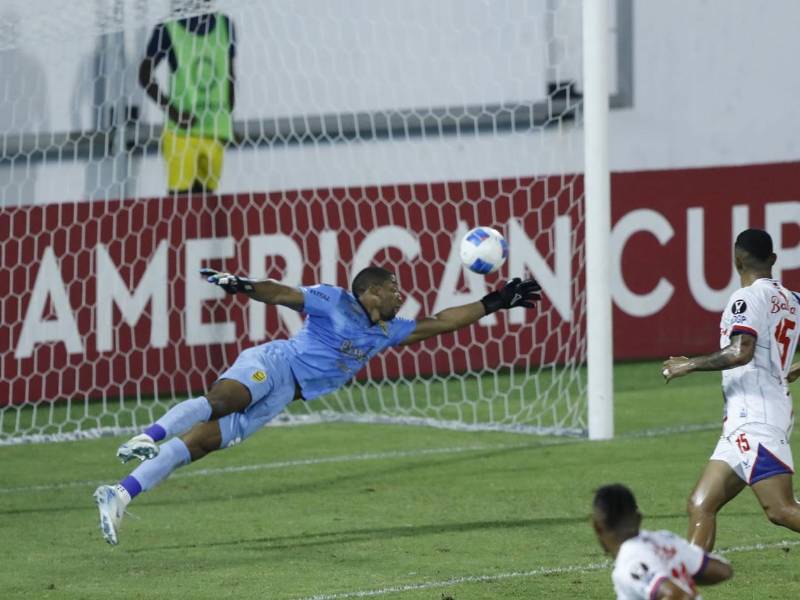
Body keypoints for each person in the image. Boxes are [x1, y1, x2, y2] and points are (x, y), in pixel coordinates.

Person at [93, 266, 541, 544]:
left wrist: (495, 302)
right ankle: (147, 436)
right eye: (393, 287)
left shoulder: (387, 332)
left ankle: (120, 493)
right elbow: (284, 294)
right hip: (275, 363)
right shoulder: (335, 300)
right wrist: (246, 286)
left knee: (201, 444)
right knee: (222, 399)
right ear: (370, 291)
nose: (400, 294)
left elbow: (442, 322)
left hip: (286, 396)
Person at [662, 229, 800, 550]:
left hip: (756, 417)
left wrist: (690, 364)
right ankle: (686, 586)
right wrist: (791, 368)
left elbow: (741, 351)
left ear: (737, 259)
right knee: (701, 504)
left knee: (780, 509)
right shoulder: (792, 300)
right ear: (773, 260)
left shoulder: (747, 297)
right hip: (744, 421)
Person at [138, 5, 236, 194]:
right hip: (182, 134)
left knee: (207, 205)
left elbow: (230, 76)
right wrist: (173, 112)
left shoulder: (225, 25)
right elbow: (144, 75)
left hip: (215, 131)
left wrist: (229, 119)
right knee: (182, 205)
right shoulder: (168, 28)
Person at [592, 483, 732, 599]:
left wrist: (676, 588)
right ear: (638, 518)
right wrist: (676, 574)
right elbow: (722, 570)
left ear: (597, 527)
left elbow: (676, 596)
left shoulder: (630, 561)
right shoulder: (664, 540)